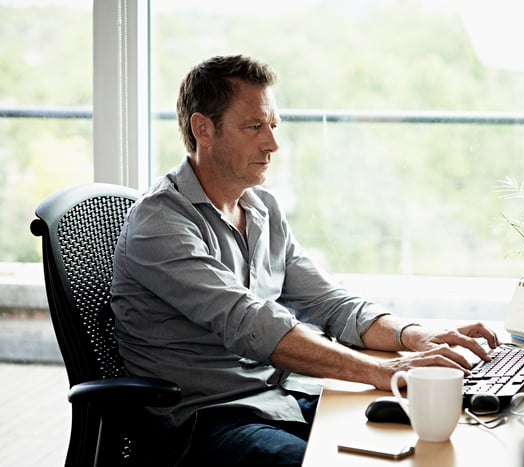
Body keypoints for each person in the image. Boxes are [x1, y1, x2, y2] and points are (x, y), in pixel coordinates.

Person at [111, 54, 500, 466]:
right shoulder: (161, 223)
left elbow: (328, 303)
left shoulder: (261, 209)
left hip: (281, 398)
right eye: (254, 127)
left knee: (450, 428)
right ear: (203, 128)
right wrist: (381, 371)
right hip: (210, 420)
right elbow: (250, 323)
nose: (272, 144)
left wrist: (414, 335)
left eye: (273, 126)